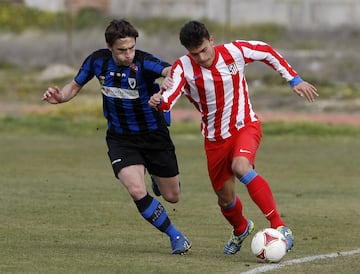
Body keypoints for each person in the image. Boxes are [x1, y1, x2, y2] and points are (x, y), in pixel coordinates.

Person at [149, 20, 318, 255]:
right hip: (214, 139)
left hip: (245, 126)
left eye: (204, 50)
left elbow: (266, 51)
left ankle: (279, 225)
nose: (202, 58)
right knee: (225, 199)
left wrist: (294, 79)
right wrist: (160, 102)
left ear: (212, 40)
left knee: (241, 166)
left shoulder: (235, 51)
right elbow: (170, 95)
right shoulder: (183, 67)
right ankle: (241, 228)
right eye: (195, 54)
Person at [42, 19, 191, 255]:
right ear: (109, 46)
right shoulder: (97, 61)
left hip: (154, 136)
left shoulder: (143, 61)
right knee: (135, 190)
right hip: (121, 139)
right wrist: (60, 97)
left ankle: (155, 174)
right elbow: (73, 87)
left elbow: (171, 70)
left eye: (131, 47)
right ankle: (176, 236)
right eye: (122, 50)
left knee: (173, 197)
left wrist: (168, 86)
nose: (128, 54)